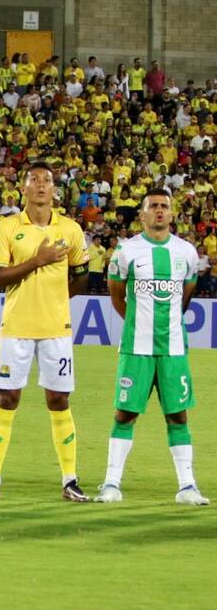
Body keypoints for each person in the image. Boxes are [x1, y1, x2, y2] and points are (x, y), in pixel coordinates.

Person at [0, 161, 90, 502]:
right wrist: (37, 261)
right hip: (17, 328)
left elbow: (82, 276)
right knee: (7, 398)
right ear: (23, 188)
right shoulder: (8, 227)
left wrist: (55, 299)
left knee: (59, 400)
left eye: (47, 180)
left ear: (54, 189)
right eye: (34, 180)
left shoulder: (70, 230)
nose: (41, 185)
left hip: (56, 328)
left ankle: (70, 479)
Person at [97, 190, 207, 505]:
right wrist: (138, 323)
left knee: (178, 415)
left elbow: (186, 293)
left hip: (173, 349)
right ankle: (111, 483)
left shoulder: (186, 252)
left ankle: (187, 487)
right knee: (125, 412)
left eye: (164, 207)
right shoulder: (126, 251)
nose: (159, 211)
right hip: (136, 347)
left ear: (171, 214)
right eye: (153, 206)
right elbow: (117, 294)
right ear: (142, 214)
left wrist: (167, 322)